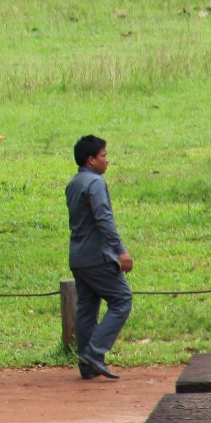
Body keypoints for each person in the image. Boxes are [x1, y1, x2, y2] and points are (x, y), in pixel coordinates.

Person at [66, 134, 133, 380]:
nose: (107, 161)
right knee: (122, 299)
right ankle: (95, 353)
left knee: (87, 309)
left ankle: (87, 364)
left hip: (78, 256)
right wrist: (121, 250)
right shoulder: (94, 183)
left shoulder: (74, 183)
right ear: (91, 159)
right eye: (104, 156)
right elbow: (103, 218)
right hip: (97, 256)